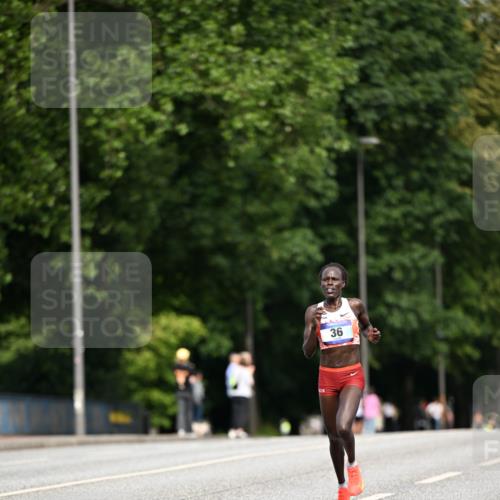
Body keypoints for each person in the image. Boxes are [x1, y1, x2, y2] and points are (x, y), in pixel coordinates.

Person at [303, 263, 381, 500]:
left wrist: (372, 335)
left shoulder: (355, 305)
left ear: (343, 283)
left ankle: (354, 466)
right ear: (321, 284)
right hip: (326, 375)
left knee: (344, 426)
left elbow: (367, 327)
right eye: (325, 280)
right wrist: (313, 326)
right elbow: (307, 352)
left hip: (351, 374)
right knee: (333, 437)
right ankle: (341, 487)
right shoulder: (312, 311)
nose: (330, 283)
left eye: (334, 279)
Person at [173, 347, 195, 437]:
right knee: (182, 411)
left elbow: (193, 378)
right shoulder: (177, 366)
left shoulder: (190, 366)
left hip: (188, 390)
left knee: (188, 411)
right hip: (181, 391)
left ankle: (188, 429)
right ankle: (181, 428)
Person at [226, 352, 241, 438]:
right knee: (236, 412)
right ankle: (234, 429)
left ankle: (236, 429)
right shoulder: (233, 367)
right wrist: (235, 388)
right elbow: (232, 380)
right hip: (235, 392)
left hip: (234, 392)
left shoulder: (233, 367)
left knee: (237, 411)